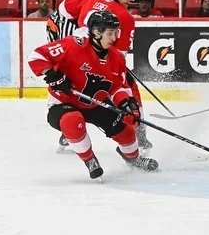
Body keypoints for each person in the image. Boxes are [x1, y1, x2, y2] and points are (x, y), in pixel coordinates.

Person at [28, 11, 159, 179]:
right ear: (97, 32)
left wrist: (127, 102)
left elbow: (118, 87)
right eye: (110, 33)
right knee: (72, 121)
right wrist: (54, 76)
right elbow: (37, 56)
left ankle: (133, 159)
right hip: (64, 102)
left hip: (96, 103)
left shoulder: (117, 58)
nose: (114, 38)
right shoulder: (74, 45)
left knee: (126, 132)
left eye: (116, 32)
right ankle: (90, 160)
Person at [45, 0, 153, 154]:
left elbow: (63, 9)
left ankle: (67, 134)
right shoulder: (125, 17)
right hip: (99, 58)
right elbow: (119, 54)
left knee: (74, 91)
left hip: (76, 52)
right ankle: (138, 132)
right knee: (128, 89)